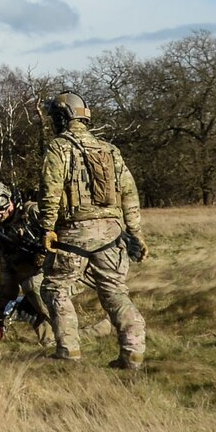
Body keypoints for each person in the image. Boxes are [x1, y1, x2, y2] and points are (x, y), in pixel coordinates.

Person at [38, 92, 148, 370]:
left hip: (74, 232)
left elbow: (50, 191)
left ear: (62, 117)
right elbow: (129, 193)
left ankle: (68, 352)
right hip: (112, 235)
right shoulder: (110, 150)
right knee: (114, 291)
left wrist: (47, 228)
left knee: (55, 288)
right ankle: (133, 353)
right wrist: (135, 233)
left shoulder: (58, 147)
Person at [0, 179, 53, 345]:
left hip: (58, 273)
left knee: (32, 285)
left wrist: (47, 252)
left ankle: (68, 334)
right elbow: (7, 273)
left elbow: (64, 233)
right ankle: (51, 341)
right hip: (33, 285)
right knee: (29, 300)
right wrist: (0, 307)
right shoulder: (2, 232)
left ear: (2, 200)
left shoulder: (33, 213)